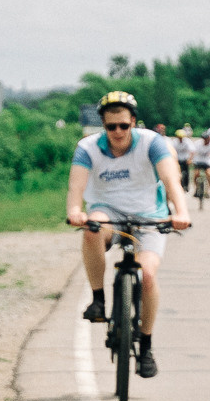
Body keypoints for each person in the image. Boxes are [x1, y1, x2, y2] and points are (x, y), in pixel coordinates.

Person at [64, 92, 193, 378]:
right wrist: (75, 211)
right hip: (108, 211)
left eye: (124, 125)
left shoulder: (152, 142)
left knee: (147, 275)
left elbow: (171, 179)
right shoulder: (88, 148)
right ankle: (98, 300)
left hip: (150, 215)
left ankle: (145, 345)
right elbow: (76, 188)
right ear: (103, 126)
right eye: (111, 127)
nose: (118, 132)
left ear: (133, 122)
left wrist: (180, 211)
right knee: (91, 229)